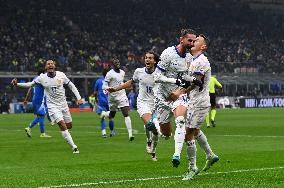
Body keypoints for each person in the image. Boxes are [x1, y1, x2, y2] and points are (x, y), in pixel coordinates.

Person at [11, 60, 83, 154]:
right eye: (48, 64)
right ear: (46, 68)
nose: (50, 65)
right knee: (61, 124)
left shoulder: (61, 75)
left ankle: (66, 134)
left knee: (69, 126)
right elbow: (30, 84)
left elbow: (71, 85)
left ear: (54, 66)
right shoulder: (41, 78)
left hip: (63, 104)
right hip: (52, 106)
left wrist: (79, 98)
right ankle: (74, 147)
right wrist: (17, 84)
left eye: (52, 63)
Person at [153, 28, 200, 167]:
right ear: (182, 39)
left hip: (178, 94)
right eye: (189, 40)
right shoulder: (168, 53)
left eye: (193, 41)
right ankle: (156, 123)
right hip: (163, 96)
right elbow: (156, 77)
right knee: (166, 134)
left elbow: (183, 75)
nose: (191, 43)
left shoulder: (189, 57)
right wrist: (175, 81)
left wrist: (192, 79)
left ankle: (176, 155)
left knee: (180, 121)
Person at [174, 34, 219, 180]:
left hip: (199, 102)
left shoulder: (201, 61)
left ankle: (192, 168)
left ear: (203, 46)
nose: (193, 42)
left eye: (197, 41)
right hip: (194, 101)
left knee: (188, 133)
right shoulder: (194, 60)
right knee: (195, 130)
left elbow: (195, 83)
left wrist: (178, 92)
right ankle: (210, 155)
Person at [107, 51, 161, 161]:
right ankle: (149, 140)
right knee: (150, 124)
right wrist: (116, 88)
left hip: (156, 105)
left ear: (155, 61)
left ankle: (153, 150)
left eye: (150, 58)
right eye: (146, 58)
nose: (147, 59)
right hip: (143, 103)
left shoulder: (160, 74)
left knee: (156, 132)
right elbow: (130, 83)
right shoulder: (139, 72)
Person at [102, 58, 134, 141]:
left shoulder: (122, 72)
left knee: (126, 113)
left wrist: (128, 85)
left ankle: (130, 134)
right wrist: (109, 88)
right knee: (112, 115)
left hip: (122, 96)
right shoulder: (109, 74)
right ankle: (104, 114)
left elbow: (121, 82)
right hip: (112, 97)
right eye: (116, 63)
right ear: (112, 65)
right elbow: (104, 86)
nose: (118, 63)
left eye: (118, 62)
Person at [23, 70, 51, 138]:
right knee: (42, 116)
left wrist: (26, 99)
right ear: (42, 74)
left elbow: (30, 89)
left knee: (39, 116)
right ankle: (42, 133)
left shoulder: (35, 79)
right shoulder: (41, 79)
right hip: (39, 100)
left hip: (35, 100)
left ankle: (29, 128)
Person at [94, 69, 114, 138]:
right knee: (111, 117)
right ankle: (111, 132)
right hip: (110, 101)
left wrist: (96, 99)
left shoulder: (98, 81)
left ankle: (104, 133)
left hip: (101, 101)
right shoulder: (111, 81)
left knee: (102, 118)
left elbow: (95, 92)